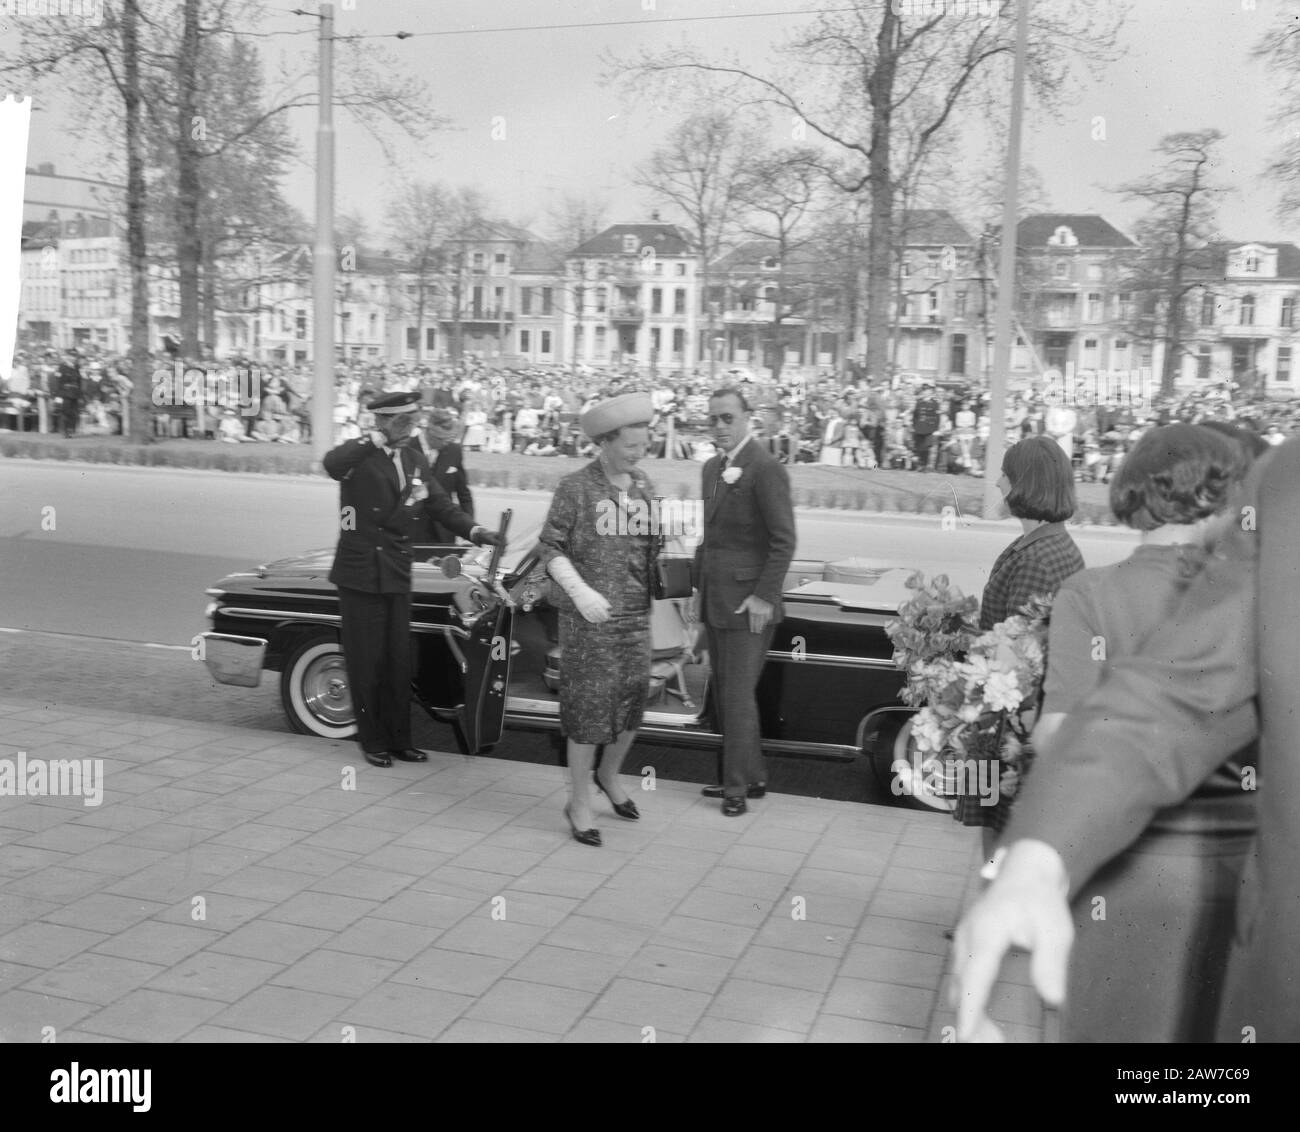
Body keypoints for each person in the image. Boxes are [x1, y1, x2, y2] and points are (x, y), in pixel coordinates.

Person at [951, 438, 1300, 1043]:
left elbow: (1073, 725)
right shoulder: (1286, 484)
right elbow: (1177, 694)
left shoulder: (1088, 590)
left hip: (1130, 872)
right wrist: (1042, 852)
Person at [1030, 425, 1254, 1041]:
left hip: (1121, 867)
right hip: (1238, 871)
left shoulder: (1089, 595)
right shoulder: (1249, 599)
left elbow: (1057, 737)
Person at [322, 391, 503, 769]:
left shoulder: (414, 458)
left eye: (412, 421)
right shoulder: (359, 456)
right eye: (402, 422)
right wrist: (376, 439)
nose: (410, 429)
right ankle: (373, 741)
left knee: (397, 661)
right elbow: (331, 463)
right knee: (366, 662)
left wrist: (477, 531)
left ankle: (400, 739)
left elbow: (439, 504)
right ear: (382, 422)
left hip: (396, 573)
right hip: (362, 575)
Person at [538, 393, 659, 847]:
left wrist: (678, 601)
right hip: (589, 620)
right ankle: (579, 801)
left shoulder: (643, 486)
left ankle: (609, 777)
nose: (639, 454)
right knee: (589, 712)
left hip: (634, 616)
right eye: (630, 446)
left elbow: (653, 552)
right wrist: (579, 590)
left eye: (644, 445)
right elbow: (549, 547)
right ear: (605, 443)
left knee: (631, 703)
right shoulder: (576, 488)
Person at [955, 435, 1084, 859]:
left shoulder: (1035, 558)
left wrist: (962, 648)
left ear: (1026, 483)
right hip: (1021, 709)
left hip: (1009, 718)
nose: (996, 483)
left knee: (1000, 822)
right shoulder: (1048, 543)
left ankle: (993, 913)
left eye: (1005, 475)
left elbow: (1015, 654)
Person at [692, 386, 797, 816]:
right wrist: (696, 592)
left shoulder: (765, 467)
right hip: (717, 599)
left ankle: (734, 787)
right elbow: (711, 541)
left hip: (749, 605)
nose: (718, 427)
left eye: (727, 418)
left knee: (735, 698)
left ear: (747, 417)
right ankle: (752, 777)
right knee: (731, 696)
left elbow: (784, 541)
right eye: (712, 419)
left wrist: (762, 597)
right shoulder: (712, 468)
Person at [411, 407, 475, 549]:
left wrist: (470, 528)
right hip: (412, 532)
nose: (446, 443)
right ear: (429, 430)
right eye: (442, 439)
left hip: (444, 533)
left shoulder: (454, 450)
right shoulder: (407, 448)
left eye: (449, 439)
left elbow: (463, 492)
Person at [912, 383, 942, 472]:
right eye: (924, 391)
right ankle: (920, 464)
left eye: (928, 391)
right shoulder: (919, 402)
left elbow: (937, 417)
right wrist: (914, 426)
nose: (926, 392)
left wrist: (936, 429)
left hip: (930, 428)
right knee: (919, 447)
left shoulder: (935, 403)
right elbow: (915, 415)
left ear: (931, 392)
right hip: (919, 427)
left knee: (926, 447)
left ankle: (924, 465)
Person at [56, 350, 83, 437]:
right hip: (66, 392)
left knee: (74, 412)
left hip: (75, 393)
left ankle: (71, 430)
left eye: (74, 356)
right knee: (66, 412)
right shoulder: (62, 367)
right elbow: (58, 381)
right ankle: (65, 431)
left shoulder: (77, 367)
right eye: (71, 356)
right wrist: (59, 395)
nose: (73, 358)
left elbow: (79, 381)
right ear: (67, 357)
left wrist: (80, 394)